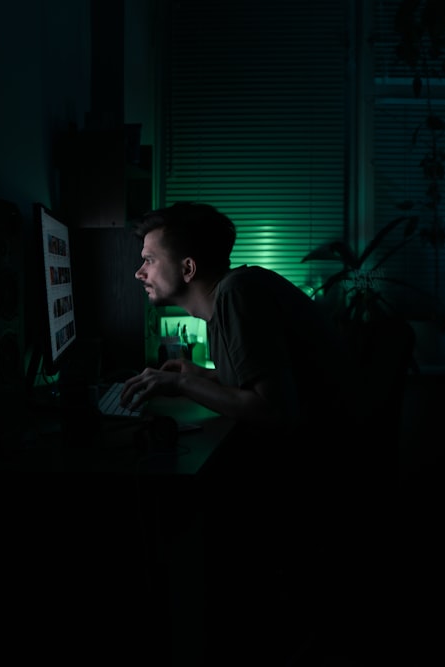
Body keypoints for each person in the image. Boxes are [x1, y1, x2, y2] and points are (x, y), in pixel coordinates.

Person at [120, 201, 354, 661]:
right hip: (315, 466)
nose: (138, 272)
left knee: (172, 519)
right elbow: (259, 382)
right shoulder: (234, 295)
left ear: (187, 268)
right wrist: (196, 375)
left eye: (148, 259)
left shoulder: (237, 296)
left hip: (313, 479)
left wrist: (181, 382)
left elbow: (274, 409)